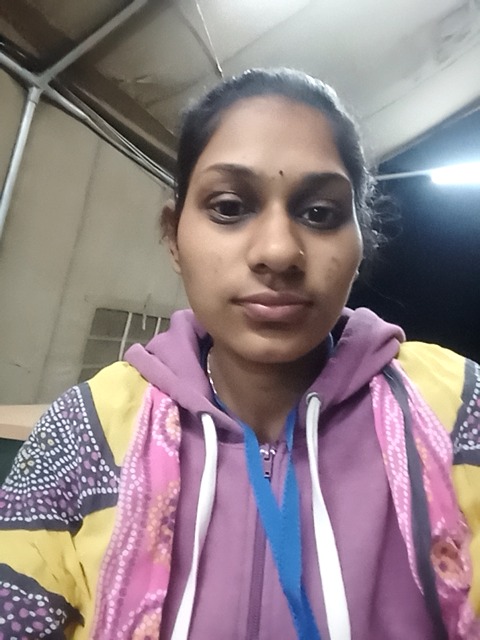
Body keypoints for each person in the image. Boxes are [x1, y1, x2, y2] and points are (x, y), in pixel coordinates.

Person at [0, 67, 479, 640]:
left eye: (320, 213)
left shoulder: (454, 409)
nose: (278, 251)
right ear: (174, 237)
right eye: (229, 207)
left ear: (359, 240)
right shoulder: (86, 430)